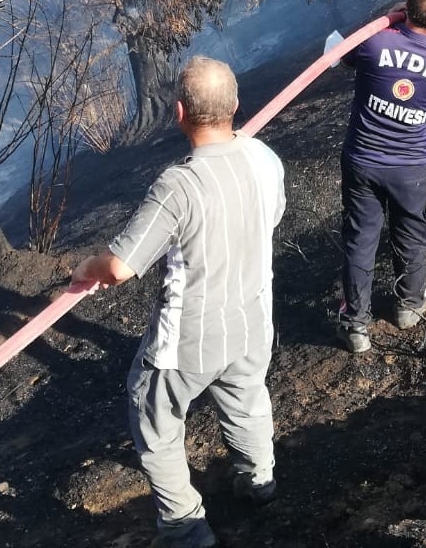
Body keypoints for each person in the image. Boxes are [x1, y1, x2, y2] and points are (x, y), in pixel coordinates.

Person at [71, 56, 285, 548]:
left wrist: (85, 269)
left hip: (189, 336)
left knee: (154, 416)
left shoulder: (178, 185)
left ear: (180, 113)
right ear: (235, 104)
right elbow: (271, 216)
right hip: (253, 318)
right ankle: (259, 480)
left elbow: (121, 267)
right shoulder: (262, 158)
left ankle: (185, 526)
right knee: (247, 398)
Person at [335, 0, 426, 353]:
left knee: (361, 239)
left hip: (363, 162)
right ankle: (409, 306)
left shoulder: (374, 42)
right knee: (411, 233)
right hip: (413, 169)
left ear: (405, 7)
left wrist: (387, 22)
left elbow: (340, 53)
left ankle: (355, 326)